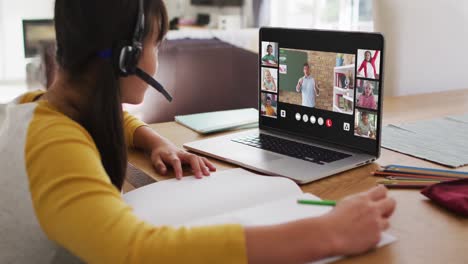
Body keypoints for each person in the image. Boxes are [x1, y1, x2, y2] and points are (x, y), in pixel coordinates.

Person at [0, 1, 396, 263]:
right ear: (127, 57)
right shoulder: (55, 145)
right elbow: (135, 252)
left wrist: (152, 139)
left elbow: (103, 117)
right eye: (158, 43)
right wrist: (327, 233)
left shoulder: (40, 108)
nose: (157, 58)